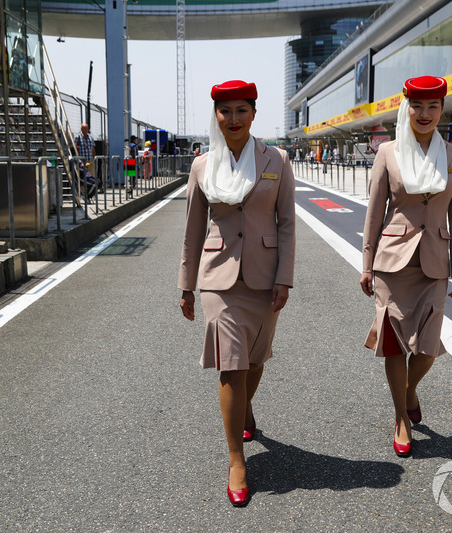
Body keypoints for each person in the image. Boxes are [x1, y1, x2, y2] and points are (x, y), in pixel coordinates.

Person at [178, 80, 296, 507]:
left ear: (254, 113)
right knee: (231, 366)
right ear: (216, 116)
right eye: (224, 111)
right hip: (218, 277)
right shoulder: (201, 165)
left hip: (265, 278)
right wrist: (186, 285)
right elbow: (193, 228)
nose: (233, 119)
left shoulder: (277, 160)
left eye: (241, 110)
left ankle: (245, 410)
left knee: (255, 359)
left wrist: (285, 277)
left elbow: (286, 224)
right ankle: (236, 460)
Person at [359, 76, 452, 457]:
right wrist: (367, 262)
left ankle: (408, 390)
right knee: (393, 343)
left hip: (435, 263)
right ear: (406, 107)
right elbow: (375, 212)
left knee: (426, 347)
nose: (424, 114)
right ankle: (400, 418)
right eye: (417, 106)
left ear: (442, 109)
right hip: (393, 261)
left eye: (433, 106)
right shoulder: (388, 152)